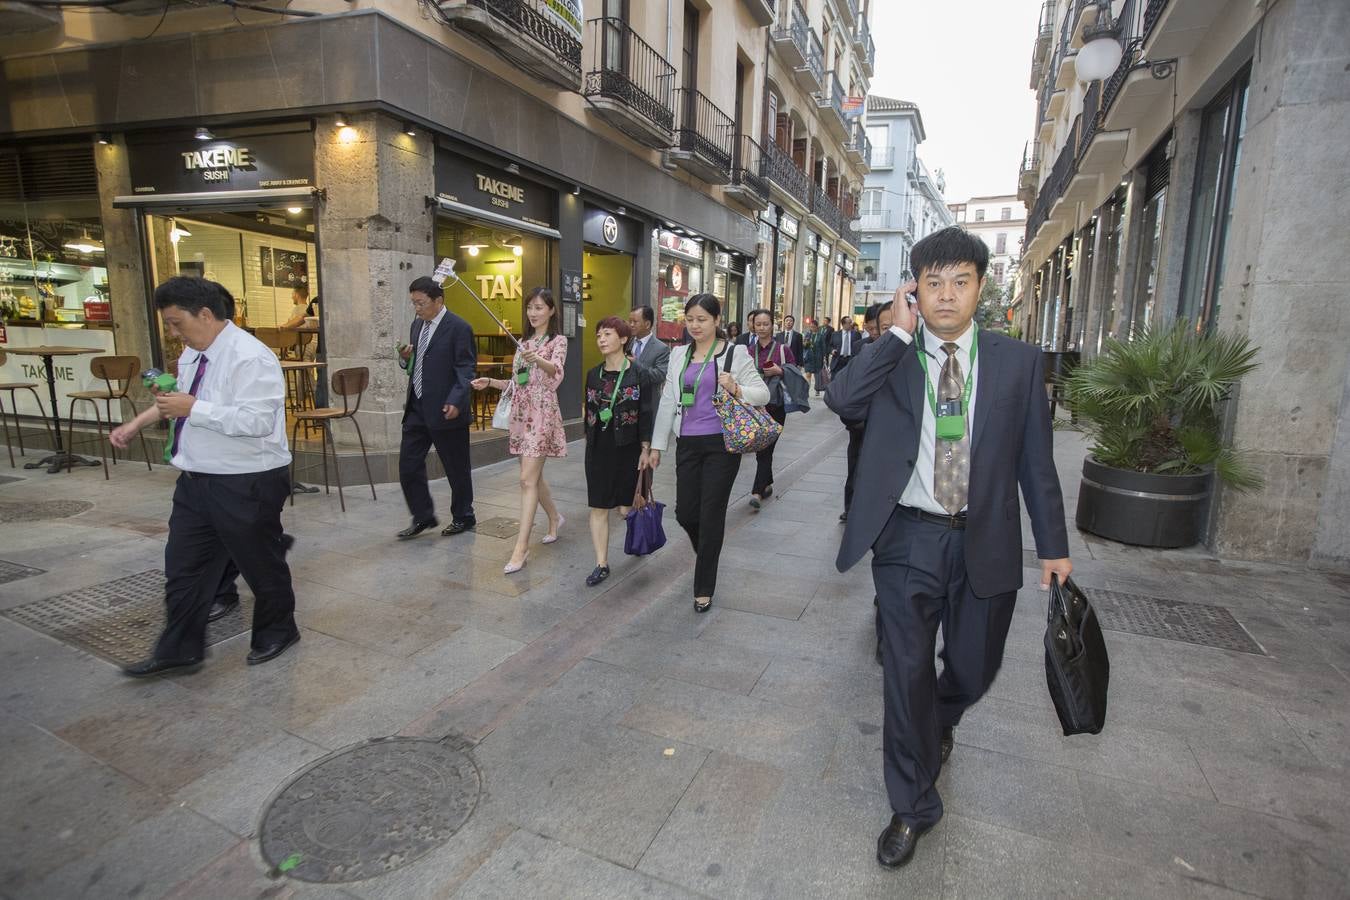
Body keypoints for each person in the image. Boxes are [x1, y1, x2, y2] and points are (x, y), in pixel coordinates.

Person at [825, 226, 1072, 869]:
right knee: (904, 674)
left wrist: (1053, 547)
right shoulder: (895, 356)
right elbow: (841, 399)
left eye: (959, 281)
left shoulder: (1018, 363)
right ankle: (911, 806)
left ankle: (940, 720)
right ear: (914, 289)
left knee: (973, 666)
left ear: (981, 287)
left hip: (986, 537)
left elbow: (1036, 465)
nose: (945, 296)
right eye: (932, 283)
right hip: (908, 537)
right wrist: (898, 333)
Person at [111, 277, 300, 676]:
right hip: (195, 480)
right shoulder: (193, 353)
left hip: (246, 480)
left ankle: (278, 631)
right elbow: (175, 399)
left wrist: (195, 408)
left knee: (261, 566)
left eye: (177, 323)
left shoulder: (250, 357)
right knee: (183, 569)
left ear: (206, 314)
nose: (173, 332)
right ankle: (178, 648)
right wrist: (136, 424)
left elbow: (258, 421)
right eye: (168, 324)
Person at [647, 293, 769, 613]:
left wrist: (737, 388)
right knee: (686, 513)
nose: (695, 326)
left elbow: (763, 393)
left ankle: (703, 587)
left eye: (702, 319)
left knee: (711, 513)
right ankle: (708, 550)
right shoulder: (679, 356)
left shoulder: (735, 353)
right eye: (690, 320)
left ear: (717, 320)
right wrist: (658, 445)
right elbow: (668, 401)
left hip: (721, 444)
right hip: (687, 442)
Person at [471, 287, 568, 574]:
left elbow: (557, 372)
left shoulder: (557, 340)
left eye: (539, 307)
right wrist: (491, 381)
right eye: (530, 307)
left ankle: (521, 547)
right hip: (521, 414)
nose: (534, 313)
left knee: (526, 480)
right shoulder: (522, 342)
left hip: (542, 415)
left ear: (551, 310)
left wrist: (538, 359)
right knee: (533, 477)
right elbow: (517, 383)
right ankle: (554, 517)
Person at [396, 276, 477, 541]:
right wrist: (404, 358)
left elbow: (465, 369)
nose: (417, 309)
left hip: (446, 408)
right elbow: (415, 364)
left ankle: (464, 515)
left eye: (421, 303)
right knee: (408, 465)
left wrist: (455, 400)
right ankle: (423, 515)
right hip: (417, 406)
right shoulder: (416, 325)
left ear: (438, 301)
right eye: (413, 303)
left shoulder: (459, 327)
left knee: (456, 468)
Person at [583, 317, 655, 586]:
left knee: (627, 508)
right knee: (599, 505)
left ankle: (637, 535)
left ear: (623, 339)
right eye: (598, 335)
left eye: (607, 334)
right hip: (599, 449)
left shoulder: (640, 374)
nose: (601, 339)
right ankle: (601, 563)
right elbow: (589, 412)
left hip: (629, 449)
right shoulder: (593, 374)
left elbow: (647, 413)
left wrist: (646, 448)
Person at [746, 308, 794, 509]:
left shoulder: (783, 349)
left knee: (767, 447)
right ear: (753, 326)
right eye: (758, 324)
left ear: (772, 325)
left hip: (776, 405)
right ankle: (767, 484)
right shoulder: (749, 350)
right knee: (762, 448)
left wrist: (779, 370)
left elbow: (794, 371)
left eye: (766, 324)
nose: (762, 328)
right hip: (756, 405)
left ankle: (757, 492)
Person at [628, 305, 671, 391]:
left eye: (635, 322)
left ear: (647, 324)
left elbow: (660, 376)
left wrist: (636, 363)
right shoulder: (627, 343)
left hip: (648, 401)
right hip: (628, 401)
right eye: (630, 321)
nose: (631, 325)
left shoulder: (661, 348)